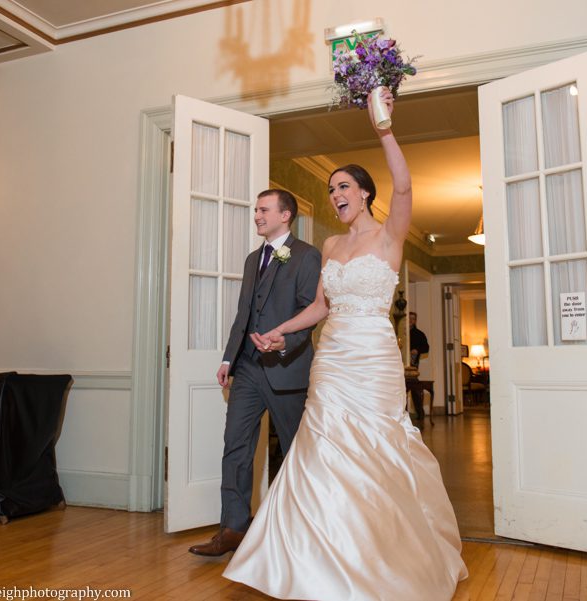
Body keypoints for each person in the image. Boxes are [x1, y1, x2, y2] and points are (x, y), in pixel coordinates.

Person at [223, 89, 467, 600]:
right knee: (320, 450)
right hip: (332, 356)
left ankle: (380, 558)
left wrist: (383, 128)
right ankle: (312, 555)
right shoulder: (331, 246)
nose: (336, 193)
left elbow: (404, 187)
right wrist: (281, 331)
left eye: (344, 186)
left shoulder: (390, 237)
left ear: (364, 194)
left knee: (375, 452)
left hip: (373, 356)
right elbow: (320, 307)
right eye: (332, 187)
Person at [187, 189, 321, 557]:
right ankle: (232, 530)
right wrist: (229, 359)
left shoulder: (308, 255)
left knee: (296, 450)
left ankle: (301, 530)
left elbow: (313, 309)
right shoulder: (252, 260)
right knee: (236, 448)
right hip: (247, 369)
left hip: (287, 369)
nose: (257, 216)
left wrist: (285, 342)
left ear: (286, 214)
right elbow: (243, 313)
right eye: (256, 210)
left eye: (264, 210)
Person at [408, 311, 431, 420]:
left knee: (415, 389)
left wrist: (417, 350)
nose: (411, 320)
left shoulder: (419, 334)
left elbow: (426, 348)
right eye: (409, 318)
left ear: (415, 320)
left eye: (413, 318)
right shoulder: (400, 332)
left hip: (413, 366)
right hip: (399, 365)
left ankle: (420, 413)